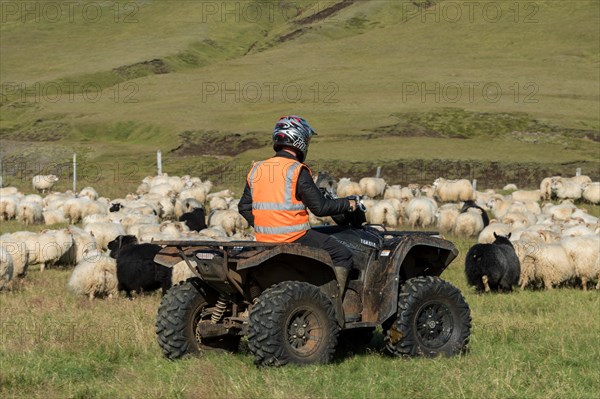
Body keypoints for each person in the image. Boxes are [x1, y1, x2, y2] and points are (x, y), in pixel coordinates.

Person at [238, 115, 357, 296]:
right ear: (299, 140)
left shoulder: (257, 168)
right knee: (343, 254)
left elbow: (244, 207)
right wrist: (348, 203)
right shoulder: (296, 170)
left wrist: (267, 226)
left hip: (263, 239)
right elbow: (321, 208)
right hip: (296, 237)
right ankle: (333, 307)